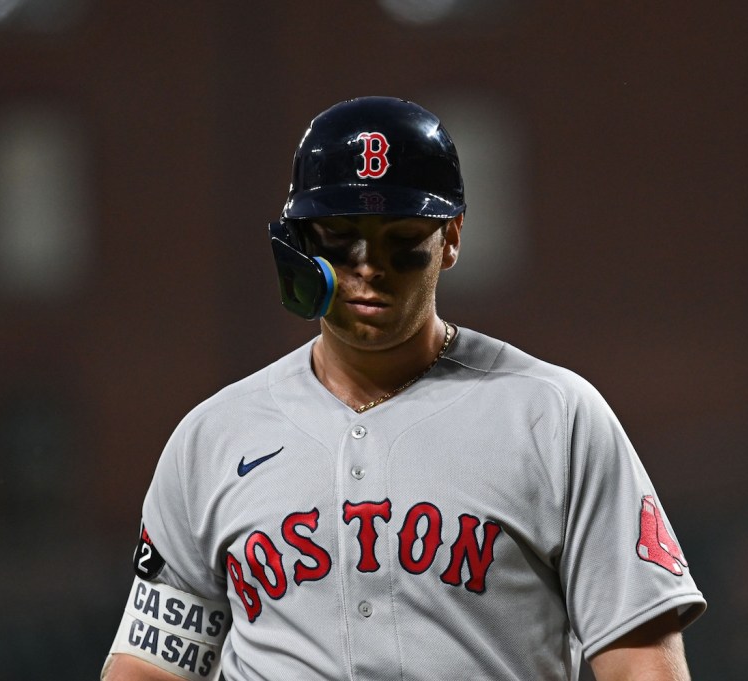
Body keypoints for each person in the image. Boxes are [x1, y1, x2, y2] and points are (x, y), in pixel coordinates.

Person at [101, 96, 706, 681]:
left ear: (452, 238)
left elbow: (641, 662)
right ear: (300, 242)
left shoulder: (553, 417)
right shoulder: (213, 437)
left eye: (402, 239)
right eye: (341, 235)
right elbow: (151, 665)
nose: (369, 264)